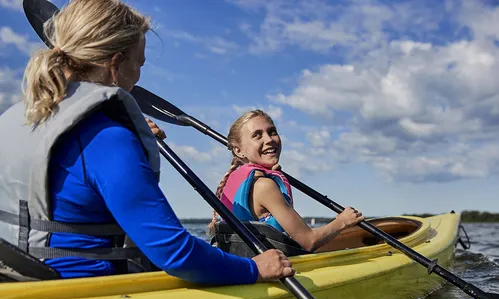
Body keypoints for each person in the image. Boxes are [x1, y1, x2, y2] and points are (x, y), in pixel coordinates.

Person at [0, 0, 294, 283]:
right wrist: (253, 268)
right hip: (79, 291)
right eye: (139, 64)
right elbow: (174, 252)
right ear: (116, 65)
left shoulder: (22, 118)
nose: (138, 78)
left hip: (19, 278)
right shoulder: (109, 138)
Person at [208, 110, 365, 253]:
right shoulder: (265, 186)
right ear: (238, 150)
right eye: (257, 135)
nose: (269, 139)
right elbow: (308, 241)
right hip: (271, 273)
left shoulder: (235, 181)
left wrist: (271, 174)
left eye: (272, 132)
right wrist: (342, 221)